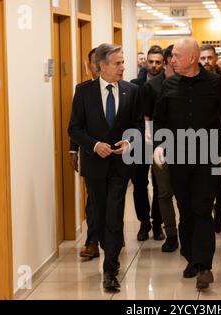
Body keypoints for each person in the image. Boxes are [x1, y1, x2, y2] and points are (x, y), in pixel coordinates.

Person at [153, 38, 221, 290]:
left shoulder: (215, 84)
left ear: (192, 58)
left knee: (202, 208)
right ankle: (191, 258)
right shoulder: (169, 85)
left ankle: (204, 266)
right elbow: (159, 121)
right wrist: (159, 145)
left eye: (177, 56)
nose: (172, 60)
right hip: (179, 158)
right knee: (186, 210)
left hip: (207, 157)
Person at [68, 43, 142, 292]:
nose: (123, 67)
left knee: (114, 213)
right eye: (117, 63)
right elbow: (74, 129)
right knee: (99, 214)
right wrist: (94, 144)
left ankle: (110, 269)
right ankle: (105, 248)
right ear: (101, 66)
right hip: (95, 166)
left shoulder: (132, 90)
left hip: (121, 166)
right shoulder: (84, 91)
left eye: (123, 62)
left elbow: (139, 126)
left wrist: (129, 140)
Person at [141, 45, 179, 252]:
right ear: (166, 61)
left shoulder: (189, 83)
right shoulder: (152, 86)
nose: (175, 61)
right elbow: (147, 119)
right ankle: (171, 234)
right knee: (164, 192)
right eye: (172, 58)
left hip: (187, 145)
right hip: (161, 147)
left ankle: (187, 230)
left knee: (185, 192)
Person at [130, 45, 165, 242]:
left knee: (160, 183)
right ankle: (144, 223)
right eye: (150, 61)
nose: (153, 65)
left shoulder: (166, 84)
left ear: (163, 63)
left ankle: (157, 224)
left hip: (160, 140)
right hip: (139, 141)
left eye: (157, 62)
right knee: (139, 184)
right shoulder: (135, 85)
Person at [69, 48, 100, 259]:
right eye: (94, 63)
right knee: (93, 202)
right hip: (92, 154)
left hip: (117, 154)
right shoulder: (82, 90)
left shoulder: (126, 90)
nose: (98, 67)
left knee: (112, 202)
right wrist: (74, 150)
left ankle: (111, 237)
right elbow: (76, 124)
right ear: (89, 65)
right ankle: (93, 241)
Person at [200, 44, 221, 233]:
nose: (206, 62)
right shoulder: (196, 82)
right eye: (203, 58)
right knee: (206, 185)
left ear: (215, 58)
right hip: (201, 141)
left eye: (209, 58)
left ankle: (219, 215)